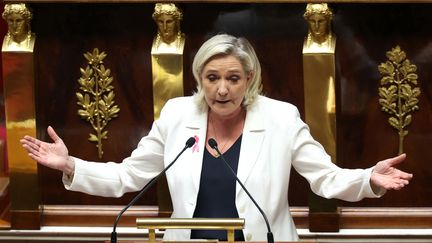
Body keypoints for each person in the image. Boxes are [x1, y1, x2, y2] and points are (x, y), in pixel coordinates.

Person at [20, 34, 413, 242]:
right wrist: (71, 165)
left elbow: (324, 177)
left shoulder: (279, 118)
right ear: (199, 80)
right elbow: (130, 176)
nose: (222, 89)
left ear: (250, 80)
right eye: (212, 78)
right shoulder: (177, 115)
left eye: (233, 78)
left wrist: (367, 179)